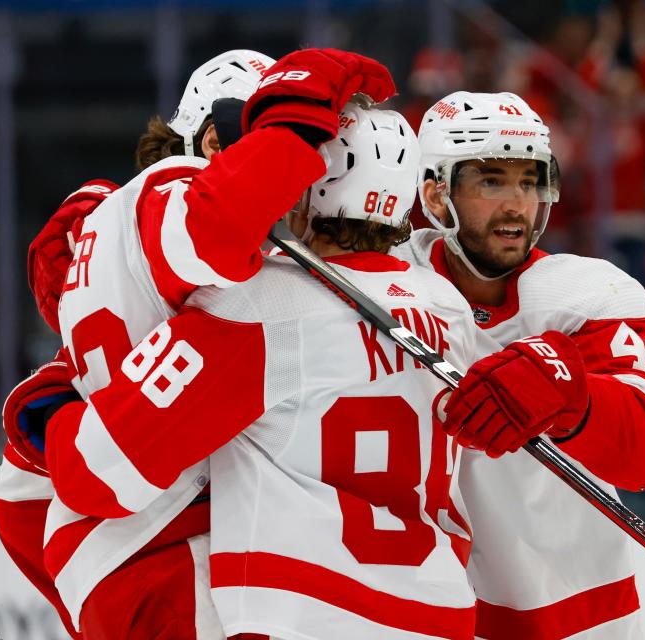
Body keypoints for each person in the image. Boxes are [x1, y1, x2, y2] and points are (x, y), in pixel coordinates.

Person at [40, 99, 554, 639]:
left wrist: (64, 395)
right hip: (438, 616)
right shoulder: (445, 306)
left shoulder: (255, 306)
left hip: (301, 616)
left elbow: (96, 476)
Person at [0, 47, 396, 638]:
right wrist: (297, 114)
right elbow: (215, 226)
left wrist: (88, 608)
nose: (308, 176)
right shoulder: (175, 191)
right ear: (214, 141)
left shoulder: (125, 229)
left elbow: (17, 500)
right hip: (182, 559)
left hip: (126, 558)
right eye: (270, 138)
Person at [393, 90, 645, 639]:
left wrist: (574, 396)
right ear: (434, 193)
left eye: (528, 181)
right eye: (491, 180)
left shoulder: (581, 294)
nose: (516, 204)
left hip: (578, 616)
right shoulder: (388, 284)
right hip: (430, 612)